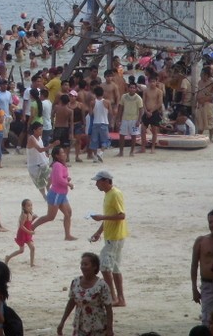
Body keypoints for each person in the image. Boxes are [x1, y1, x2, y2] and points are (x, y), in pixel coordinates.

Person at [90, 170, 128, 307]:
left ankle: (113, 297)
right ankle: (120, 299)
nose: (96, 184)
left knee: (104, 266)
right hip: (113, 236)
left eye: (98, 181)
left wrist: (101, 217)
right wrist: (99, 232)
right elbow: (110, 216)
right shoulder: (108, 194)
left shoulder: (115, 194)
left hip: (115, 237)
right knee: (115, 268)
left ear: (105, 181)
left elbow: (121, 215)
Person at [57, 252, 113, 336]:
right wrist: (62, 322)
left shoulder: (101, 285)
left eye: (86, 264)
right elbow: (71, 302)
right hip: (79, 327)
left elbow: (108, 308)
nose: (82, 267)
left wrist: (109, 329)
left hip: (98, 329)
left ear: (94, 267)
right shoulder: (75, 282)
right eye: (82, 264)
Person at [31, 146, 77, 241]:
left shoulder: (61, 164)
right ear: (57, 156)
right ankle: (31, 227)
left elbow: (52, 178)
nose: (64, 154)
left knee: (68, 213)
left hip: (61, 194)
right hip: (56, 194)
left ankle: (67, 235)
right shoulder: (57, 165)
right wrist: (68, 183)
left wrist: (65, 180)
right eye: (62, 153)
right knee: (50, 217)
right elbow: (59, 179)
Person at [4, 199, 37, 267]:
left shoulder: (30, 213)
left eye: (31, 205)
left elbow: (28, 223)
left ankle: (32, 264)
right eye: (28, 206)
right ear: (23, 207)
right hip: (22, 234)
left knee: (32, 248)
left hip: (27, 234)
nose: (30, 207)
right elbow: (21, 226)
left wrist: (33, 218)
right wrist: (29, 232)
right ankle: (8, 257)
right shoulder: (24, 215)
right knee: (21, 250)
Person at [25, 123, 53, 199]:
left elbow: (41, 148)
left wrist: (46, 155)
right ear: (34, 130)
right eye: (39, 129)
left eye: (41, 129)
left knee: (51, 177)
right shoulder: (31, 138)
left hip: (42, 162)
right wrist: (51, 146)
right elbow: (40, 149)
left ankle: (48, 188)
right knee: (40, 183)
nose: (41, 131)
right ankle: (44, 196)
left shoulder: (39, 137)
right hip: (34, 165)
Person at [117, 82, 143, 157]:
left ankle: (132, 151)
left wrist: (139, 120)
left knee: (133, 136)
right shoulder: (124, 97)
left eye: (133, 88)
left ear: (135, 89)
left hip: (134, 120)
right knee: (121, 135)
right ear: (128, 88)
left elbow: (141, 109)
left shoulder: (138, 98)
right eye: (130, 87)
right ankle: (121, 152)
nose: (132, 89)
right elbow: (120, 108)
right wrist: (118, 119)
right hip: (124, 119)